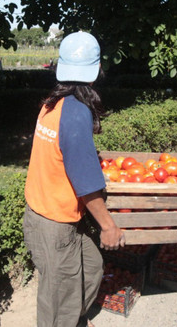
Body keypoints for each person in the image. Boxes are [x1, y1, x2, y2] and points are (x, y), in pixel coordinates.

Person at [22, 32, 124, 327]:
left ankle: (73, 320)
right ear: (95, 72)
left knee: (91, 269)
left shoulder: (53, 103)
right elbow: (86, 182)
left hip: (51, 212)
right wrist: (109, 227)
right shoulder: (75, 112)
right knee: (59, 302)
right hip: (53, 223)